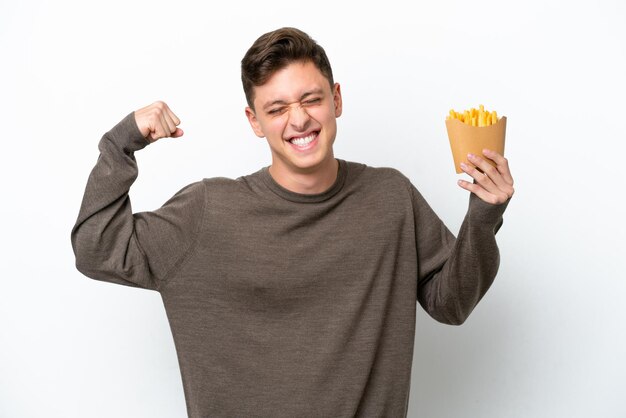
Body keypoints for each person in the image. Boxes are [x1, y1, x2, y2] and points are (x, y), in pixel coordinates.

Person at [71, 27, 514, 418]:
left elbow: (451, 303)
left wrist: (483, 215)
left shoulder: (390, 198)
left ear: (336, 100)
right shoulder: (207, 212)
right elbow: (95, 247)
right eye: (277, 108)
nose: (299, 119)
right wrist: (122, 141)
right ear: (255, 121)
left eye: (311, 99)